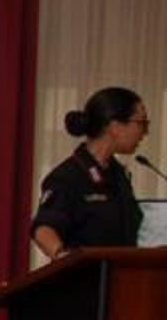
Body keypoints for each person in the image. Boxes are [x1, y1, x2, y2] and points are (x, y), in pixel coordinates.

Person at [31, 86, 149, 258]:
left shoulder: (118, 174)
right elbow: (44, 228)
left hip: (121, 272)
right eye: (141, 123)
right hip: (85, 274)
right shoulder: (68, 176)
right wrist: (61, 254)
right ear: (115, 127)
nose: (145, 132)